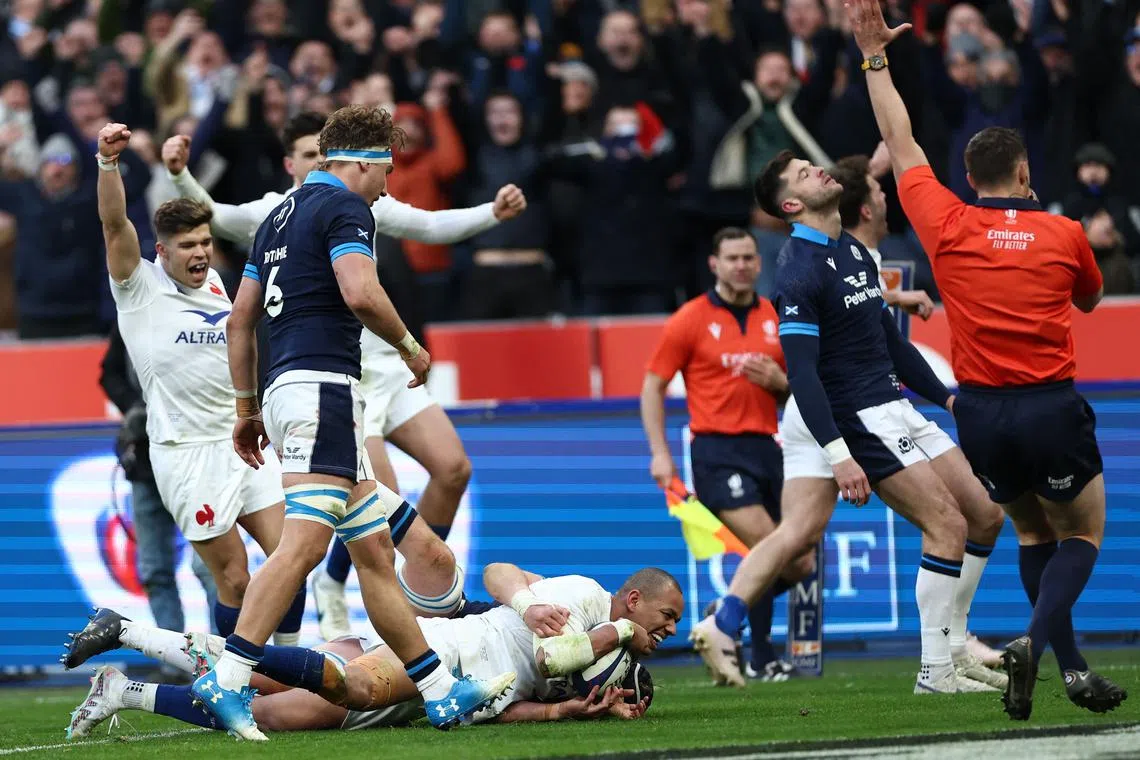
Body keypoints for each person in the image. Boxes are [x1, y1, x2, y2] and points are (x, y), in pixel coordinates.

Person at [844, 0, 1127, 719]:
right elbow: (1092, 302)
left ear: (969, 178)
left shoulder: (946, 221)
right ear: (1026, 172)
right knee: (1083, 532)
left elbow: (899, 137)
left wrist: (873, 56)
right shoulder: (1064, 233)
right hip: (1048, 403)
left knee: (1033, 531)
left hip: (980, 413)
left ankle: (1070, 670)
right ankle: (1034, 639)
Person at [206, 104, 514, 739]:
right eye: (387, 169)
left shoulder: (278, 215)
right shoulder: (347, 207)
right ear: (362, 162)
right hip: (326, 387)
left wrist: (245, 407)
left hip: (289, 388)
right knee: (305, 545)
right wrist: (408, 344)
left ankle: (439, 690)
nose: (388, 184)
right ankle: (227, 676)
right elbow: (359, 291)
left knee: (374, 551)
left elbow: (239, 322)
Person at [690, 147, 1006, 696]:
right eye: (802, 174)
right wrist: (841, 455)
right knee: (946, 526)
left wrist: (948, 400)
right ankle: (937, 670)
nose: (817, 169)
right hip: (850, 417)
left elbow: (889, 342)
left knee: (984, 514)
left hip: (891, 405)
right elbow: (805, 377)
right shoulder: (796, 270)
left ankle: (955, 650)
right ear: (792, 202)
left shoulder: (853, 251)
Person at [84, 123, 303, 659]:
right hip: (186, 456)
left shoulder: (214, 281)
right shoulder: (139, 288)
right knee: (234, 577)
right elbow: (115, 225)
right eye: (188, 246)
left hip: (242, 442)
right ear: (162, 250)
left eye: (206, 241)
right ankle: (235, 682)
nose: (202, 253)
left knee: (292, 557)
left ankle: (291, 661)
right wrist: (108, 165)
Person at [64, 564, 676, 736]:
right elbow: (507, 584)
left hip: (429, 685)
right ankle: (130, 634)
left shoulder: (600, 665)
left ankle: (126, 687)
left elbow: (512, 698)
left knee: (261, 700)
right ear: (632, 599)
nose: (669, 630)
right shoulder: (591, 600)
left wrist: (559, 714)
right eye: (664, 617)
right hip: (444, 653)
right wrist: (529, 605)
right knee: (326, 692)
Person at [640, 227, 812, 683]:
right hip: (717, 451)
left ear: (759, 263)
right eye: (732, 258)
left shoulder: (776, 315)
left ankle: (725, 611)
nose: (741, 265)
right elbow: (653, 386)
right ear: (714, 264)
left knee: (801, 560)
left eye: (749, 258)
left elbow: (803, 391)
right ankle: (759, 655)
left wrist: (781, 384)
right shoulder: (691, 318)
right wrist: (660, 454)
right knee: (767, 544)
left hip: (770, 446)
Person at [99, 321, 220, 668]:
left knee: (211, 565)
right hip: (146, 464)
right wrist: (136, 408)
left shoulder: (190, 317)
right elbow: (109, 374)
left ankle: (219, 658)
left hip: (191, 459)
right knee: (155, 569)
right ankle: (176, 663)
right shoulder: (129, 317)